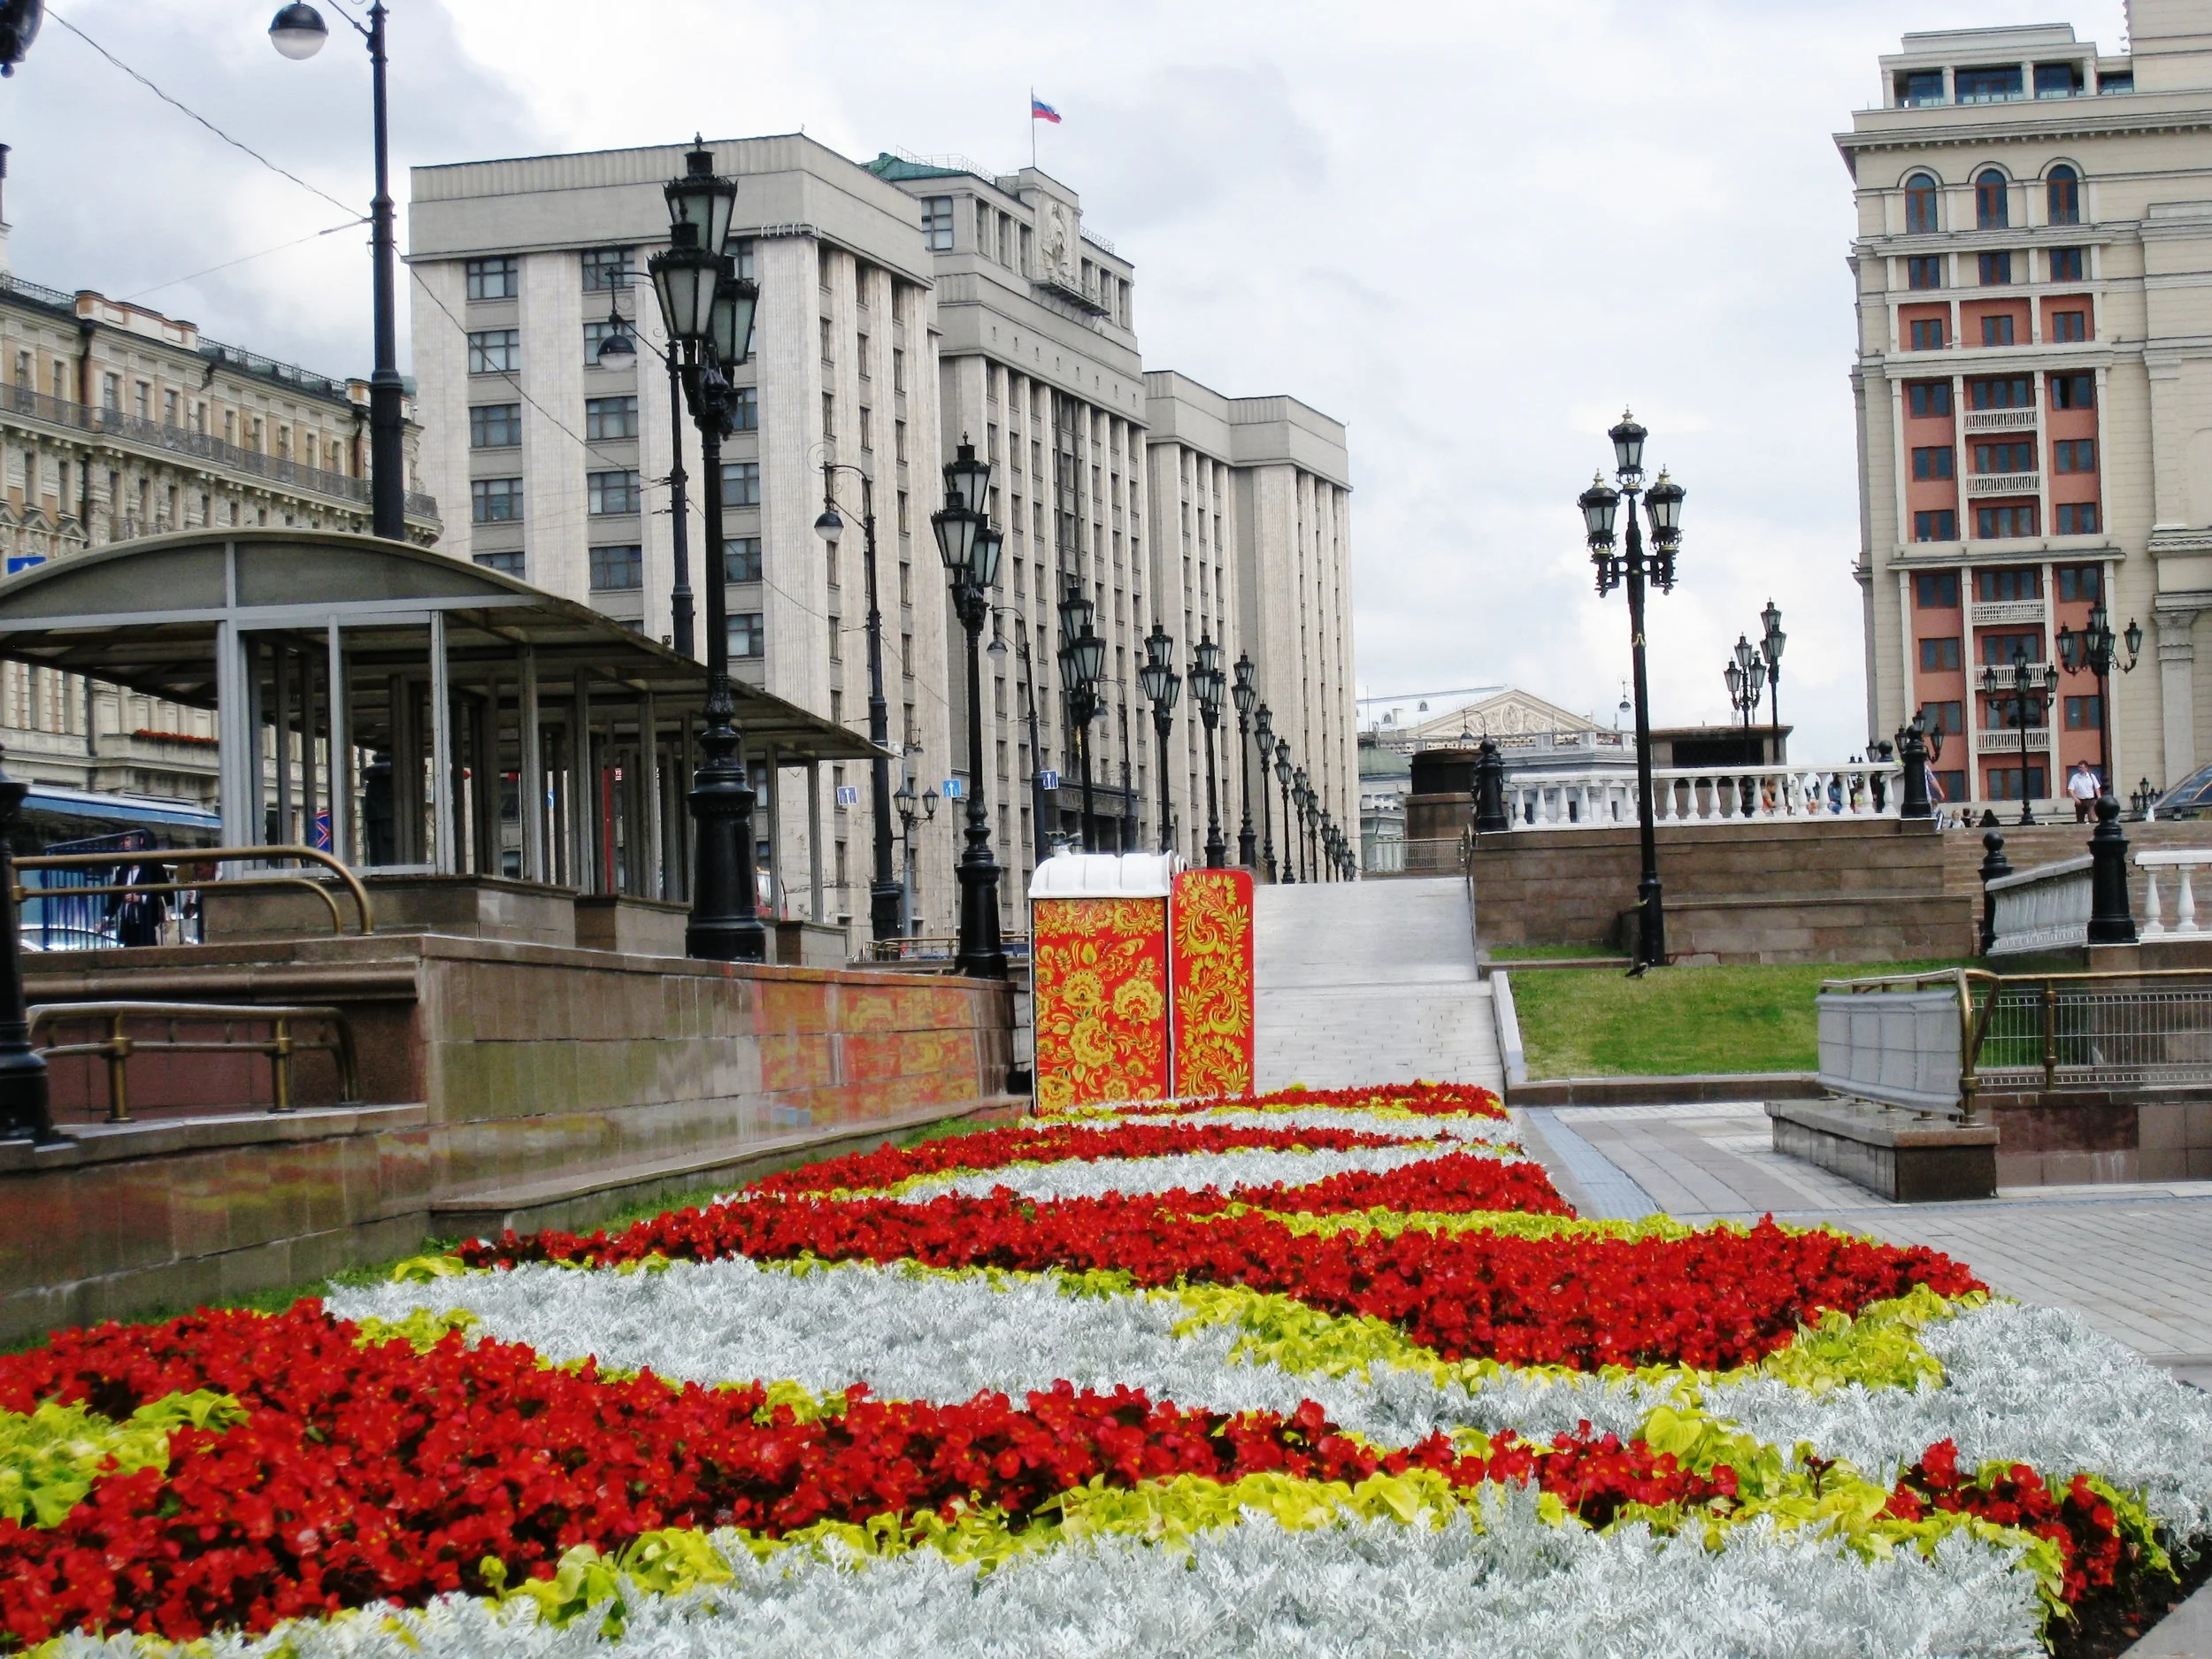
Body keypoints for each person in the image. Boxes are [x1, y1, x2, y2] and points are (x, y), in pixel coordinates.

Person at [2068, 758, 2102, 824]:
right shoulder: (2075, 777)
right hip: (2080, 801)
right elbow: (2070, 790)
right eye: (2079, 767)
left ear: (2086, 768)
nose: (2080, 769)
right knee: (2080, 821)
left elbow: (2097, 788)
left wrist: (2099, 798)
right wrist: (2076, 799)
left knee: (2092, 818)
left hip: (2091, 801)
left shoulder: (2091, 776)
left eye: (2081, 767)